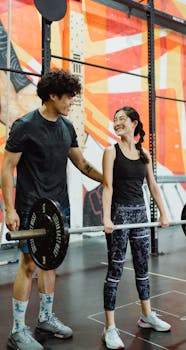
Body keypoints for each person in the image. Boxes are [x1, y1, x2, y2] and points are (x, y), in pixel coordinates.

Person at [1, 69, 103, 350]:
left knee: (51, 263)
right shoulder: (25, 125)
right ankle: (18, 330)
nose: (71, 102)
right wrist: (9, 209)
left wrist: (108, 179)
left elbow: (81, 163)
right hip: (31, 206)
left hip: (58, 206)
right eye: (68, 97)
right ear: (52, 96)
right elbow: (8, 167)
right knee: (30, 264)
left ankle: (45, 317)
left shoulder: (67, 127)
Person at [101, 106, 171, 349]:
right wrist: (106, 218)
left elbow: (152, 186)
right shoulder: (110, 152)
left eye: (122, 119)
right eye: (115, 119)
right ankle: (109, 327)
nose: (117, 122)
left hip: (140, 214)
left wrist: (163, 211)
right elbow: (107, 186)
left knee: (143, 267)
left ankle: (147, 315)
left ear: (133, 123)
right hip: (119, 215)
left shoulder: (144, 154)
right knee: (115, 272)